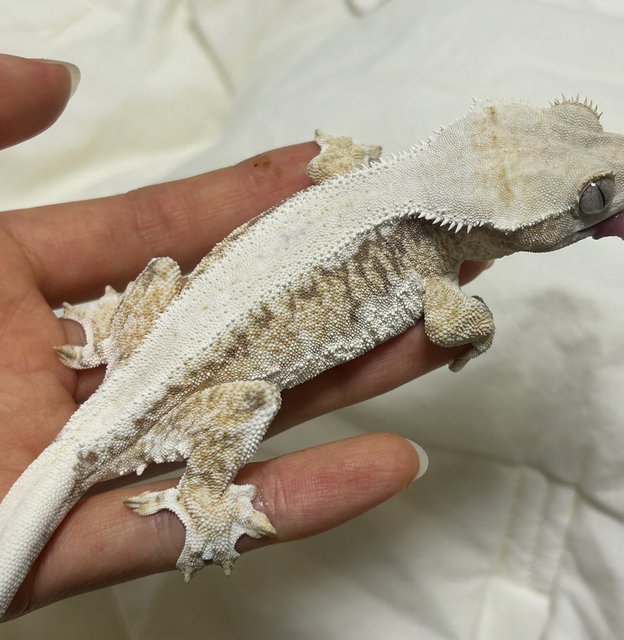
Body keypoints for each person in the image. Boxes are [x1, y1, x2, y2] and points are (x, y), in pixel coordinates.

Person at [0, 54, 486, 620]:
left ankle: (113, 341)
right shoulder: (417, 239)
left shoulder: (365, 178)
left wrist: (345, 158)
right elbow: (451, 326)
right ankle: (201, 495)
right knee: (251, 399)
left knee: (162, 273)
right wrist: (480, 326)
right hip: (165, 387)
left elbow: (335, 167)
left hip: (149, 353)